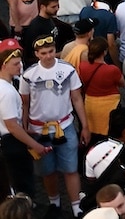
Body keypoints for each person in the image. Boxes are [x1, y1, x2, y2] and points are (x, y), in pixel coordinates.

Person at [20, 34, 90, 217]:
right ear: (37, 54)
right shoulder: (28, 75)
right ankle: (54, 204)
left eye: (51, 51)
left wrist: (85, 126)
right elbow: (25, 103)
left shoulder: (68, 70)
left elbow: (77, 99)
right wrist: (25, 127)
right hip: (38, 130)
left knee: (71, 169)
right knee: (47, 171)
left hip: (65, 126)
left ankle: (76, 207)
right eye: (43, 53)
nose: (48, 56)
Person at [0, 38, 49, 197]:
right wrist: (35, 145)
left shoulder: (7, 85)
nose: (20, 66)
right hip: (11, 143)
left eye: (20, 62)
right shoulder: (7, 92)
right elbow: (12, 126)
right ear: (3, 65)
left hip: (9, 140)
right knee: (23, 186)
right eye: (15, 64)